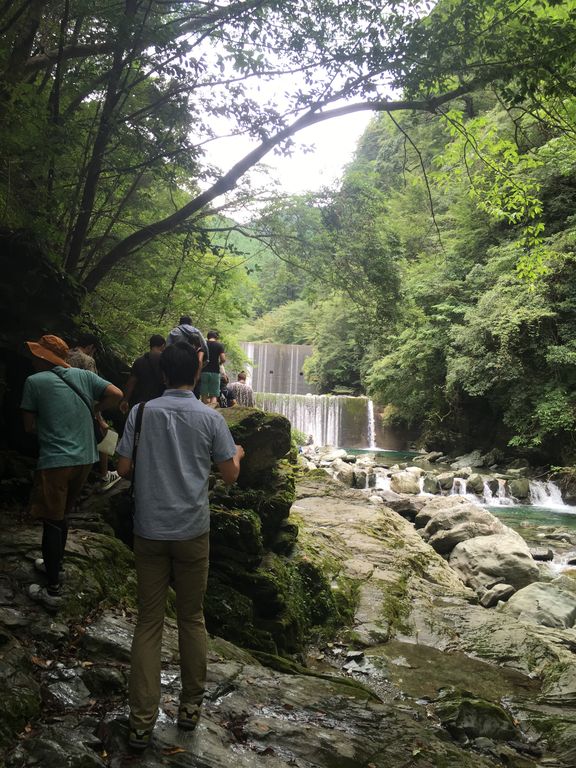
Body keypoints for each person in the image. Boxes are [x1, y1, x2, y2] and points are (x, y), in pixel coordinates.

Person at [116, 341, 244, 751]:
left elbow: (122, 467)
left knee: (148, 622)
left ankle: (141, 724)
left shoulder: (141, 412)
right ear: (198, 373)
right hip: (191, 531)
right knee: (191, 618)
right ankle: (189, 708)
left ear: (163, 375)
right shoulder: (210, 417)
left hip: (149, 530)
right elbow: (230, 475)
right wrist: (238, 453)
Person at [21, 335, 123, 609]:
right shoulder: (84, 376)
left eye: (35, 354)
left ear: (43, 357)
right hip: (85, 458)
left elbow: (29, 426)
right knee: (62, 516)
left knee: (51, 521)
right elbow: (116, 394)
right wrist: (95, 408)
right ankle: (56, 564)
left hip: (57, 460)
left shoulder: (34, 382)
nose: (32, 358)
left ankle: (53, 589)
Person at [67, 332, 121, 491]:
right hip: (83, 407)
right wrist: (98, 415)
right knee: (104, 437)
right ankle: (104, 476)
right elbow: (92, 388)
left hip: (64, 403)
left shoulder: (65, 354)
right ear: (90, 347)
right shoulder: (87, 360)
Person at [119, 334, 166, 414]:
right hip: (160, 403)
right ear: (163, 345)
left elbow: (131, 382)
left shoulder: (139, 361)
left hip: (141, 403)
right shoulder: (166, 361)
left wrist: (125, 400)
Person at [200, 330, 225, 406]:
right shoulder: (219, 345)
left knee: (204, 394)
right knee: (214, 395)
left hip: (204, 371)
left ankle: (204, 410)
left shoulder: (203, 345)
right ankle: (212, 410)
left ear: (208, 337)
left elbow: (200, 358)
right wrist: (219, 363)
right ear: (216, 337)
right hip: (215, 372)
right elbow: (223, 359)